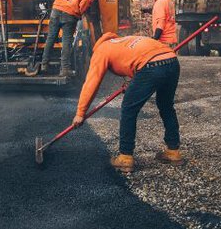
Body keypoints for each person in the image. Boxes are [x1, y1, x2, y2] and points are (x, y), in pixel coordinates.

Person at [72, 33, 183, 173]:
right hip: (172, 61)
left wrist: (80, 113)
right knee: (166, 106)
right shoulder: (123, 41)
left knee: (128, 109)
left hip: (151, 66)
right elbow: (136, 60)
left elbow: (91, 82)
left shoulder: (101, 50)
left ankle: (125, 157)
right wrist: (134, 82)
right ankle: (173, 151)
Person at [34, 0, 99, 78]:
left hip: (56, 9)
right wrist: (79, 12)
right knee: (66, 41)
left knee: (51, 37)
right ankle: (64, 70)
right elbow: (86, 1)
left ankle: (44, 64)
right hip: (70, 13)